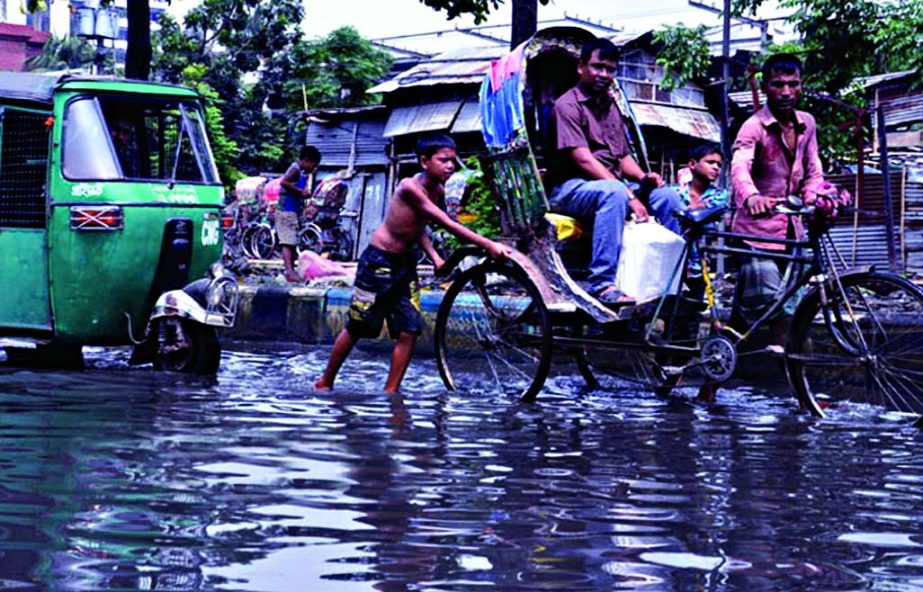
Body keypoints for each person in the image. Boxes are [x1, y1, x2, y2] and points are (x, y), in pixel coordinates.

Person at [314, 134, 510, 393]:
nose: (451, 166)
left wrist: (436, 257)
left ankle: (391, 392)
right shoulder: (410, 188)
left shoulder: (437, 190)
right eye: (444, 160)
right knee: (357, 325)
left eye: (453, 160)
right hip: (378, 263)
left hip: (405, 265)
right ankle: (325, 381)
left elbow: (419, 228)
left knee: (410, 330)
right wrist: (489, 244)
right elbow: (446, 223)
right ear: (424, 161)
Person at [547, 37, 683, 305]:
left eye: (610, 69)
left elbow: (622, 156)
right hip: (569, 189)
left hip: (608, 185)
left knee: (668, 197)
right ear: (581, 67)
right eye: (598, 67)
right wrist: (627, 192)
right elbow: (583, 159)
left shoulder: (611, 107)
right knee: (614, 193)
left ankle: (673, 282)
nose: (604, 75)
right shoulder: (567, 105)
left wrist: (644, 178)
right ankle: (602, 283)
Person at [729, 53, 825, 351]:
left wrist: (814, 197)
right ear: (766, 86)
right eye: (778, 84)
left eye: (793, 84)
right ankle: (801, 395)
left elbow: (813, 169)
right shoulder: (753, 126)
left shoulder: (806, 124)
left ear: (801, 86)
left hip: (792, 233)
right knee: (782, 314)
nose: (786, 92)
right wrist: (752, 196)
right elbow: (739, 165)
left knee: (742, 319)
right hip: (756, 233)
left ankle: (708, 383)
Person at [675, 144, 728, 301]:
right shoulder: (676, 192)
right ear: (692, 164)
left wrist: (689, 211)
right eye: (710, 162)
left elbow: (697, 214)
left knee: (693, 307)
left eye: (719, 164)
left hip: (699, 263)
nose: (716, 168)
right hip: (675, 260)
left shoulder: (720, 196)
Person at [278, 145, 321, 282]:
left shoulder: (302, 172)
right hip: (286, 210)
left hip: (294, 210)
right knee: (287, 241)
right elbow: (283, 182)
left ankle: (292, 271)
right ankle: (289, 272)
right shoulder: (295, 169)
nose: (313, 169)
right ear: (307, 160)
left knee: (293, 242)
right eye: (313, 165)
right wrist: (301, 192)